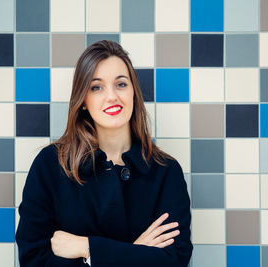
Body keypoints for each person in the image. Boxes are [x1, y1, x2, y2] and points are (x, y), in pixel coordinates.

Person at [15, 40, 193, 266]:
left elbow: (175, 260)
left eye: (121, 84)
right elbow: (33, 260)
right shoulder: (51, 165)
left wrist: (88, 248)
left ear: (133, 93)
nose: (112, 96)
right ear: (83, 101)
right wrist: (136, 253)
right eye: (96, 87)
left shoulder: (166, 172)